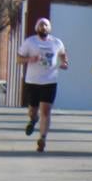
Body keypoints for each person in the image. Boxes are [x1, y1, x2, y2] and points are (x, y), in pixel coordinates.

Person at [16, 16, 68, 152]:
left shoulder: (57, 42)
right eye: (41, 25)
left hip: (50, 81)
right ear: (36, 28)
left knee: (46, 110)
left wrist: (64, 63)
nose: (43, 27)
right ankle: (33, 120)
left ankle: (42, 138)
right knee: (33, 110)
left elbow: (63, 55)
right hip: (33, 81)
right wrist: (29, 59)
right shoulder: (30, 42)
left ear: (49, 28)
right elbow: (18, 59)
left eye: (45, 25)